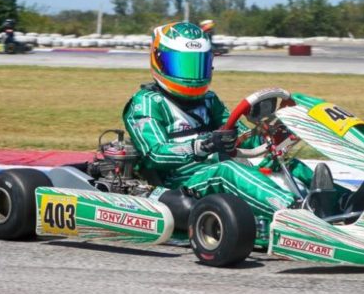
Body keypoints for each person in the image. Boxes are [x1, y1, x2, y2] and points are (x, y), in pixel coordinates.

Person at [122, 22, 339, 222]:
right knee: (227, 171)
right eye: (183, 65)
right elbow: (154, 154)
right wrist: (202, 145)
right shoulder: (146, 103)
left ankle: (343, 202)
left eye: (198, 65)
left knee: (282, 163)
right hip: (180, 181)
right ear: (159, 61)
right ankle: (298, 214)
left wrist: (270, 137)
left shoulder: (208, 99)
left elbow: (239, 135)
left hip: (215, 165)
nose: (192, 75)